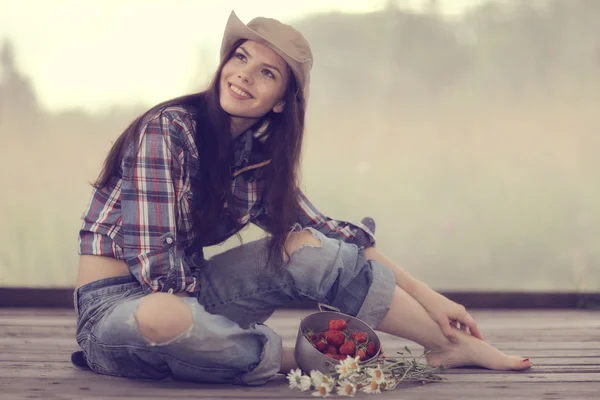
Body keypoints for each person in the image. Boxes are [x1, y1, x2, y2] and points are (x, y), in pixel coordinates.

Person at [71, 11, 533, 386]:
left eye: (266, 72)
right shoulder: (168, 129)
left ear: (279, 100)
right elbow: (156, 265)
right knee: (163, 315)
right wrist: (201, 316)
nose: (244, 76)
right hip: (118, 311)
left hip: (190, 295)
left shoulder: (259, 160)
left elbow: (335, 236)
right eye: (241, 58)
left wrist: (434, 299)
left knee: (308, 249)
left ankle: (450, 345)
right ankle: (294, 357)